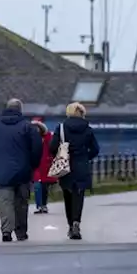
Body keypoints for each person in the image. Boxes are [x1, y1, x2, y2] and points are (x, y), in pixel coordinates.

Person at [0, 98, 42, 242]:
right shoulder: (28, 127)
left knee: (5, 202)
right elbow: (37, 148)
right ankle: (21, 232)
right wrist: (32, 165)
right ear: (20, 110)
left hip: (2, 171)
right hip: (23, 171)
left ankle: (6, 231)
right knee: (21, 203)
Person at [49, 101, 100, 240]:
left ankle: (71, 225)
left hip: (66, 166)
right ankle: (77, 222)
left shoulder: (61, 128)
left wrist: (60, 155)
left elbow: (52, 147)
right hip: (81, 166)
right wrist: (85, 157)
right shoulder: (88, 129)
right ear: (82, 113)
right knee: (79, 196)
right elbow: (95, 149)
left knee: (68, 196)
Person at [30, 119, 56, 214]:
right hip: (36, 166)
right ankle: (40, 205)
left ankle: (43, 205)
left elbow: (53, 148)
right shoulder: (30, 139)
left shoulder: (48, 137)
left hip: (46, 165)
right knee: (37, 186)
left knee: (45, 186)